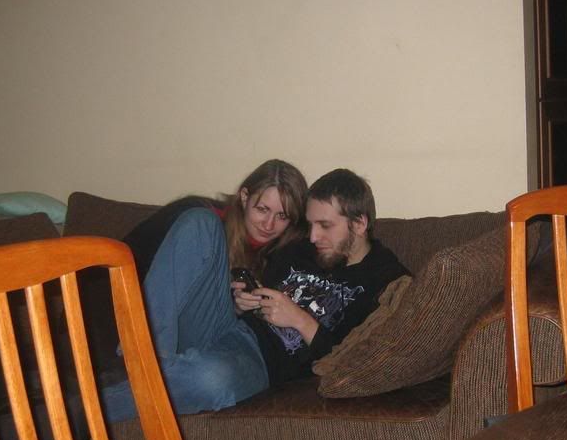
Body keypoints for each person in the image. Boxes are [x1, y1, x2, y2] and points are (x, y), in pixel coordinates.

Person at [101, 168, 409, 420]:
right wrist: (241, 303)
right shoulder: (300, 248)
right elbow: (257, 286)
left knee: (211, 379)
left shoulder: (387, 283)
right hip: (227, 326)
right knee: (200, 220)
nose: (314, 236)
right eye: (311, 224)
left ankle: (89, 408)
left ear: (359, 223)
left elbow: (356, 361)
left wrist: (301, 320)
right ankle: (141, 354)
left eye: (325, 226)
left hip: (259, 363)